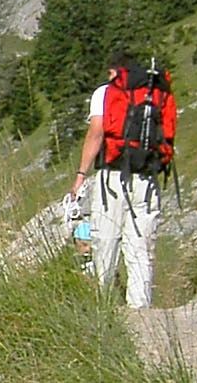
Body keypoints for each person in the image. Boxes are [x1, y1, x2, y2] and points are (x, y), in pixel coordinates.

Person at [67, 50, 159, 308]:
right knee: (139, 245)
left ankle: (103, 304)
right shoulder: (154, 95)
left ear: (116, 71)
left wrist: (81, 175)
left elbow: (96, 133)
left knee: (106, 240)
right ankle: (140, 309)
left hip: (113, 176)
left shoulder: (105, 93)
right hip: (147, 178)